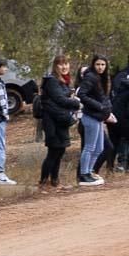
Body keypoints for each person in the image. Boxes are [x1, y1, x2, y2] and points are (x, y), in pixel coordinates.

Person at [38, 54, 81, 192]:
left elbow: (64, 97)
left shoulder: (63, 81)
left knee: (60, 150)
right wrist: (76, 103)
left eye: (66, 64)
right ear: (55, 66)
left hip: (61, 120)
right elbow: (60, 99)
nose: (64, 67)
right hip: (53, 122)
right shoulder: (52, 81)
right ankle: (43, 182)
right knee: (53, 151)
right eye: (61, 64)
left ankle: (55, 181)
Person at [75, 54, 116, 186]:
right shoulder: (90, 77)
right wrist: (99, 106)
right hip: (90, 117)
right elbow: (81, 94)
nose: (100, 67)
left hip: (98, 117)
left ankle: (90, 172)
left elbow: (103, 97)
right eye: (98, 64)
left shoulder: (101, 78)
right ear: (93, 64)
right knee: (89, 147)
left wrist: (107, 111)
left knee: (99, 148)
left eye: (103, 64)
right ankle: (83, 174)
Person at [111, 61, 129, 172]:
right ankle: (122, 162)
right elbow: (117, 92)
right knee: (124, 138)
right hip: (122, 114)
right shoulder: (122, 75)